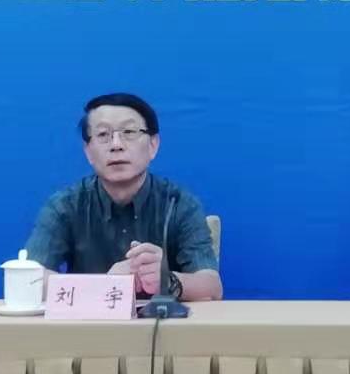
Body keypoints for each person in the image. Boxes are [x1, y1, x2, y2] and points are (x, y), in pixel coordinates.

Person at [24, 92, 222, 301]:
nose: (116, 145)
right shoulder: (65, 206)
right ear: (88, 152)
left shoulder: (179, 203)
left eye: (128, 132)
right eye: (103, 134)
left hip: (162, 320)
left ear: (153, 145)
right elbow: (30, 278)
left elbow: (212, 286)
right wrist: (105, 286)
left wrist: (167, 280)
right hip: (89, 320)